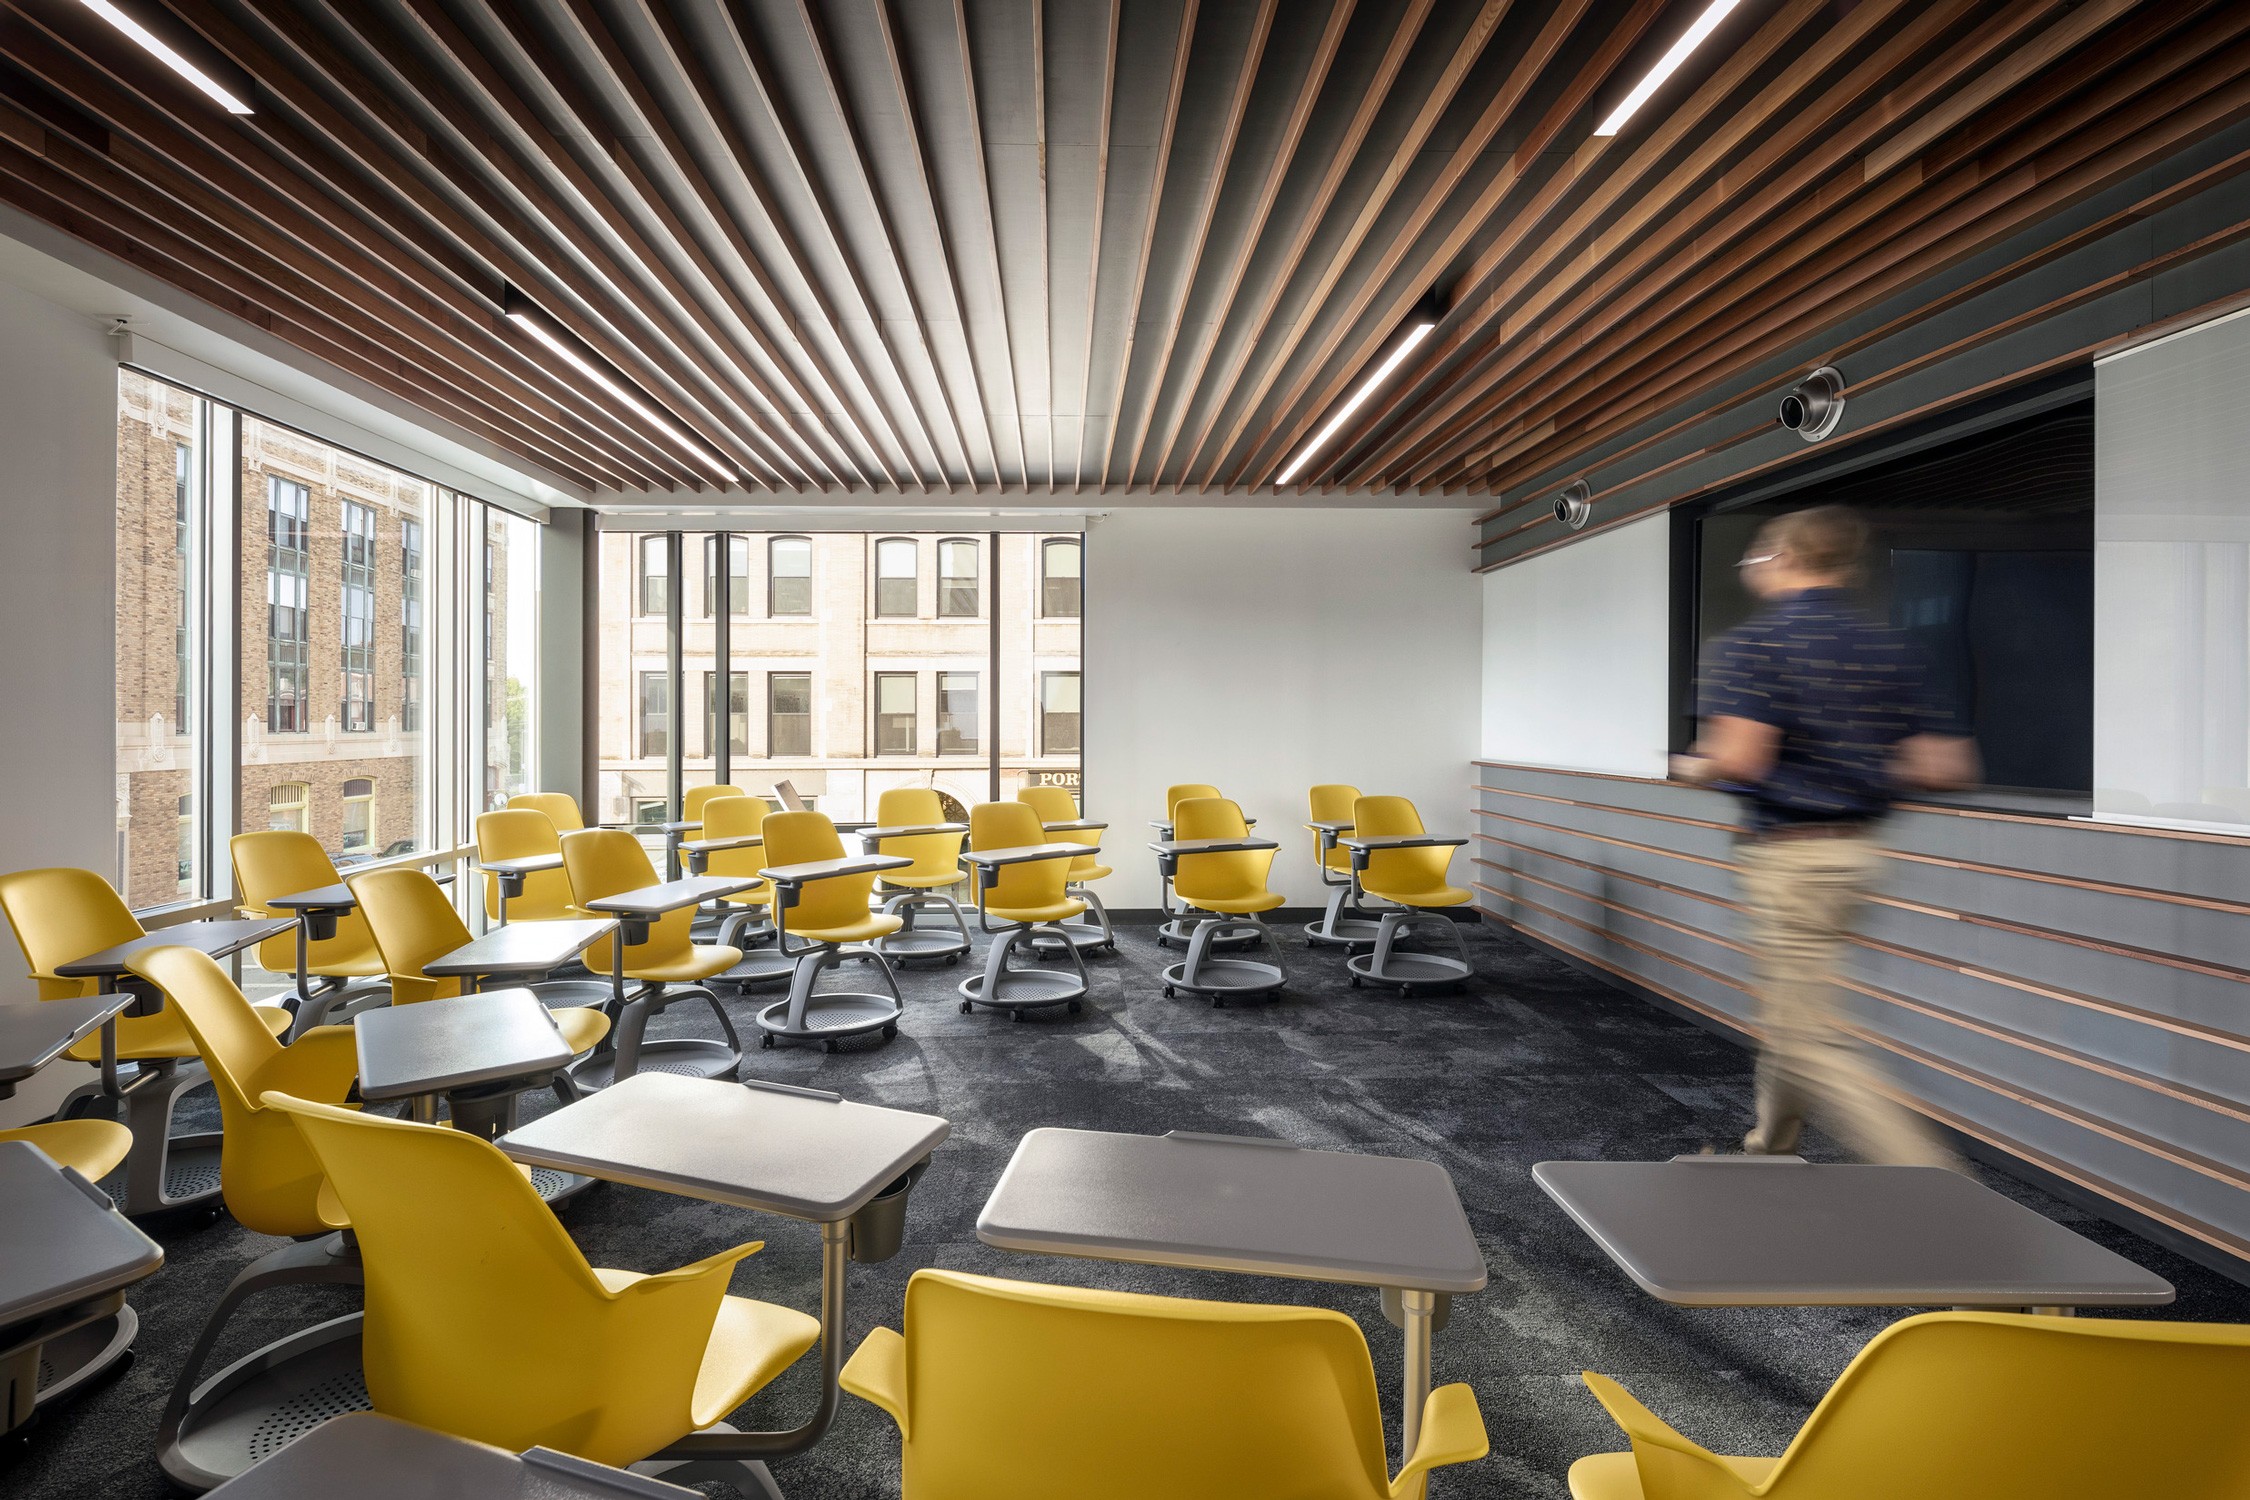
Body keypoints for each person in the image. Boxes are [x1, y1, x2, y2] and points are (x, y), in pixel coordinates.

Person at [1671, 505, 1977, 1169]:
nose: (1751, 567)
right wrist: (1855, 761)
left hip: (1794, 858)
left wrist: (1691, 763)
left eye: (1755, 556)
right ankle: (1769, 1148)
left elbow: (1743, 759)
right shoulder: (1891, 648)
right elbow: (1943, 765)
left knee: (1811, 1038)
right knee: (1792, 1014)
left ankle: (1941, 1188)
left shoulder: (1756, 646)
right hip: (1860, 854)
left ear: (1781, 558)